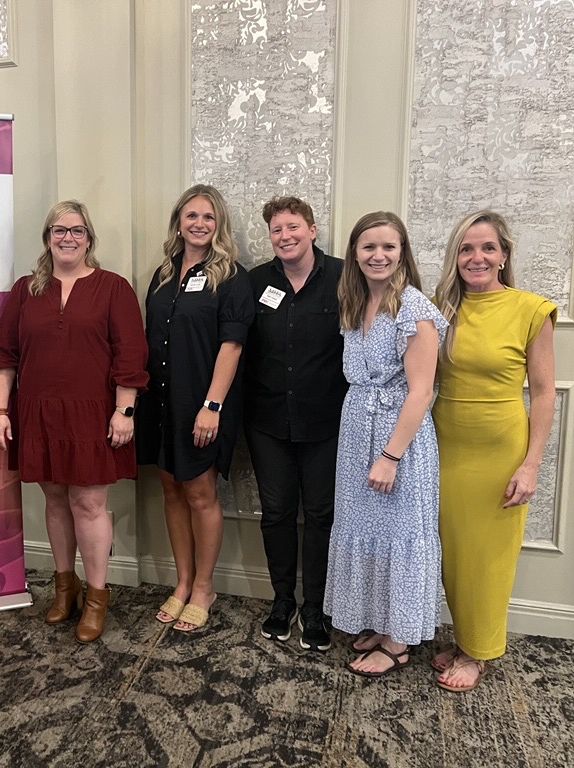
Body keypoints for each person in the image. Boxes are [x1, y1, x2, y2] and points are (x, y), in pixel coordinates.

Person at [0, 200, 148, 643]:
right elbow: (3, 355)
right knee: (55, 500)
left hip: (93, 414)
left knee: (88, 504)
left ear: (89, 239)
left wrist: (125, 410)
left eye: (77, 230)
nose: (68, 238)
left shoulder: (113, 288)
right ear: (47, 238)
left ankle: (96, 597)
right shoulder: (25, 290)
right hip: (37, 411)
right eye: (59, 230)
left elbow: (130, 356)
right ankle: (64, 588)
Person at [430, 210, 556, 692]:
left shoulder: (531, 309)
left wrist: (531, 465)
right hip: (445, 443)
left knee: (487, 558)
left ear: (504, 255)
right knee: (454, 553)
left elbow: (542, 393)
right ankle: (466, 638)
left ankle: (478, 652)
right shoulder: (441, 307)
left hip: (500, 450)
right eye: (466, 248)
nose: (476, 257)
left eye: (487, 248)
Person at [322, 211, 448, 676]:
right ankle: (382, 621)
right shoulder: (356, 305)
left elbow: (421, 391)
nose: (378, 255)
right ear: (354, 254)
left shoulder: (413, 309)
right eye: (369, 246)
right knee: (368, 531)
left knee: (399, 533)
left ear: (402, 253)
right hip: (358, 432)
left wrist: (390, 456)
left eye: (388, 246)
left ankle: (398, 641)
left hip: (399, 440)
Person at [136, 184, 254, 632]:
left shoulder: (232, 277)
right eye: (191, 216)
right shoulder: (164, 273)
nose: (199, 224)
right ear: (179, 222)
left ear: (218, 224)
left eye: (208, 217)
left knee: (201, 494)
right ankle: (183, 582)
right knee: (170, 490)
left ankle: (204, 587)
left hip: (201, 403)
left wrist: (212, 405)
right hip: (161, 400)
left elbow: (232, 345)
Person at [243, 196, 347, 649]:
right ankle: (282, 600)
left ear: (312, 229)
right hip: (267, 422)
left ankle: (316, 607)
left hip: (327, 422)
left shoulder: (344, 277)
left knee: (322, 516)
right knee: (277, 514)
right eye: (277, 230)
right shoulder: (254, 282)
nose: (285, 236)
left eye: (293, 227)